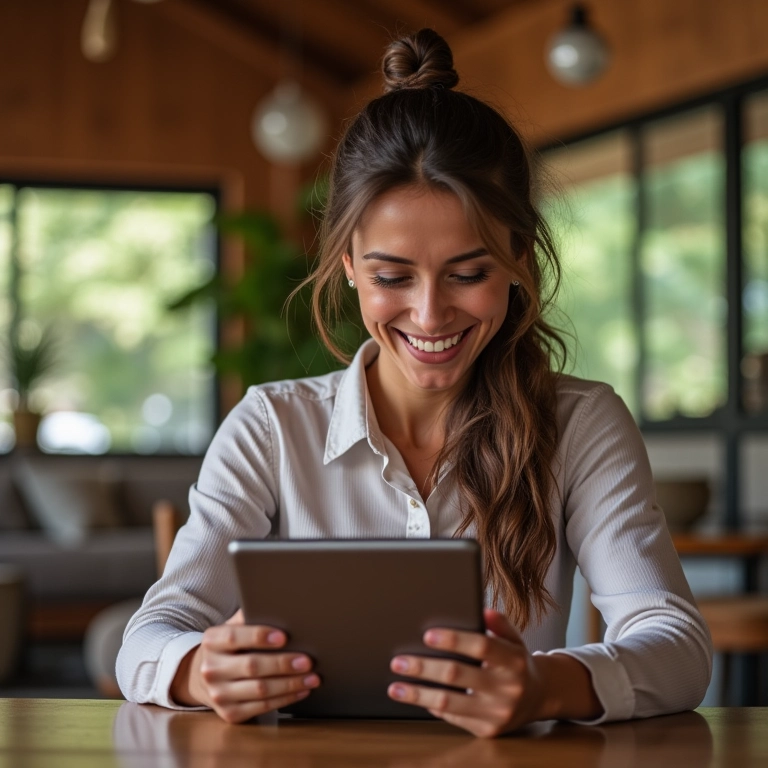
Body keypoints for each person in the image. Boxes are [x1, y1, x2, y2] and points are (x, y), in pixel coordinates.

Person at [116, 28, 712, 738]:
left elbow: (676, 644)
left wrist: (544, 685)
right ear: (346, 264)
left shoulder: (580, 422)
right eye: (392, 276)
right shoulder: (271, 426)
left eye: (469, 273)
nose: (430, 316)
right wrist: (197, 668)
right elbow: (151, 636)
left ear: (519, 256)